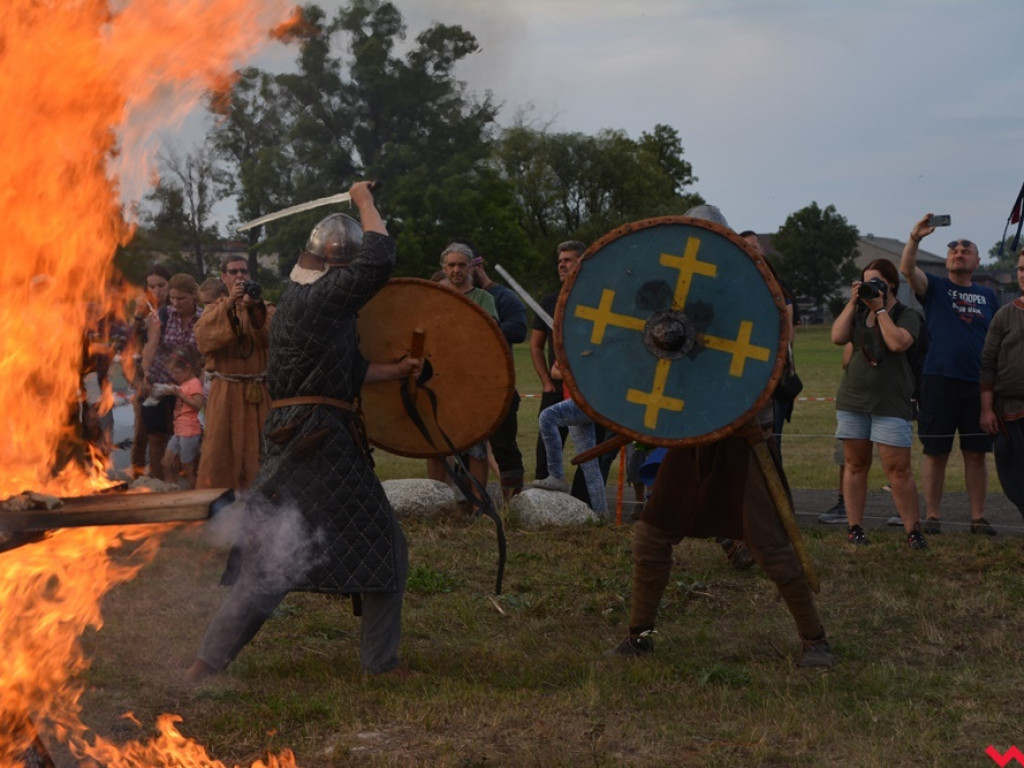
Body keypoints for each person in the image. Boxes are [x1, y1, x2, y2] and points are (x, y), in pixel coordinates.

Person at [186, 181, 422, 683]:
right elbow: (379, 259)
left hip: (301, 437)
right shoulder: (322, 298)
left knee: (274, 556)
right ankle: (380, 665)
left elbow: (347, 371)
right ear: (337, 267)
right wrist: (364, 200)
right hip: (320, 442)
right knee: (383, 543)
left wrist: (397, 370)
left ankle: (206, 663)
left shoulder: (304, 299)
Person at [610, 204, 833, 668]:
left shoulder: (754, 289)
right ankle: (640, 635)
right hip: (693, 436)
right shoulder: (673, 296)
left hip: (745, 436)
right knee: (651, 537)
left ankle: (814, 639)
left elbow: (771, 362)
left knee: (772, 547)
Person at [900, 216, 998, 535]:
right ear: (946, 260)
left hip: (977, 384)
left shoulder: (988, 296)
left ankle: (978, 518)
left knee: (976, 454)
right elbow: (907, 269)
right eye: (953, 249)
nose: (959, 252)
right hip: (938, 379)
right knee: (935, 452)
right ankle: (932, 516)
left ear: (977, 261)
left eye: (966, 250)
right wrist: (915, 238)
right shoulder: (936, 287)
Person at [830, 259, 927, 548]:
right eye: (866, 282)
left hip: (890, 401)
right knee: (855, 464)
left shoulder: (907, 314)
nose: (871, 287)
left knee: (898, 470)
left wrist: (880, 309)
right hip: (853, 399)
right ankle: (854, 528)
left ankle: (913, 532)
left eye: (877, 282)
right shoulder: (858, 312)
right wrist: (853, 302)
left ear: (892, 284)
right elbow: (837, 337)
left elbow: (898, 343)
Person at [530, 241, 612, 506]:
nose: (562, 265)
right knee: (550, 448)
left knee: (590, 457)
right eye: (560, 261)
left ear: (582, 263)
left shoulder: (599, 300)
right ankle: (549, 507)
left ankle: (584, 506)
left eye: (568, 260)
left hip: (592, 391)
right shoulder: (550, 301)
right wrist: (548, 379)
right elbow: (536, 346)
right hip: (560, 389)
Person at [426, 243, 497, 511]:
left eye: (461, 265)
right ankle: (437, 503)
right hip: (438, 380)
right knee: (437, 443)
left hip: (472, 382)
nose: (456, 270)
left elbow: (487, 334)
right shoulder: (435, 297)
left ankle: (479, 505)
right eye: (451, 265)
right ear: (444, 268)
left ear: (470, 268)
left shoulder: (483, 298)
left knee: (475, 444)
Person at [194, 256, 271, 491]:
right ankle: (219, 502)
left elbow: (270, 337)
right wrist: (230, 304)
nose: (239, 276)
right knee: (220, 448)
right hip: (225, 391)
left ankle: (263, 502)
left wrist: (254, 307)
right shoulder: (214, 310)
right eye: (233, 272)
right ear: (224, 277)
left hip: (259, 391)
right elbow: (204, 339)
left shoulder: (265, 307)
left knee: (263, 447)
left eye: (243, 271)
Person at [471, 248, 528, 499]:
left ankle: (512, 503)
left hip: (498, 384)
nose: (457, 272)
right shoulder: (453, 295)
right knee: (465, 446)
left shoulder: (504, 297)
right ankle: (470, 502)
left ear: (477, 266)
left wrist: (480, 329)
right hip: (464, 385)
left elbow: (518, 330)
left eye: (464, 266)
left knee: (504, 447)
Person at [140, 272, 202, 481]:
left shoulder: (203, 318)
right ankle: (159, 482)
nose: (176, 303)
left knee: (188, 433)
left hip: (187, 385)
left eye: (181, 298)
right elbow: (151, 345)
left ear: (194, 295)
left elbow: (204, 354)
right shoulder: (163, 315)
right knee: (156, 434)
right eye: (173, 298)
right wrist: (145, 372)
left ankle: (189, 480)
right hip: (159, 379)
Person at [530, 361, 608, 518]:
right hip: (579, 400)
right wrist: (575, 372)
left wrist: (573, 372)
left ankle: (557, 475)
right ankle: (602, 515)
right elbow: (554, 371)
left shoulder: (585, 349)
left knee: (547, 417)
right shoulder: (570, 350)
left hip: (585, 401)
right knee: (590, 467)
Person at [979, 251, 1024, 518]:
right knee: (1014, 476)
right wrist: (986, 409)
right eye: (1021, 269)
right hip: (1010, 410)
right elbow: (988, 364)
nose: (1023, 274)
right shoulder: (1004, 315)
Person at [129, 264, 171, 478]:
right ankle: (137, 474)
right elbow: (130, 341)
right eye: (151, 287)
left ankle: (166, 474)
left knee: (170, 430)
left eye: (161, 285)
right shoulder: (143, 310)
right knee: (142, 430)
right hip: (145, 376)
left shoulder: (176, 307)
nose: (156, 290)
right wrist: (138, 316)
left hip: (172, 375)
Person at [161, 346, 206, 488]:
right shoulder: (184, 383)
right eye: (172, 372)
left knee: (187, 467)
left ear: (187, 368)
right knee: (166, 461)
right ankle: (170, 486)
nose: (174, 376)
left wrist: (180, 395)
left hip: (190, 430)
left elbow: (198, 404)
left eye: (176, 372)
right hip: (179, 429)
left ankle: (195, 490)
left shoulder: (194, 383)